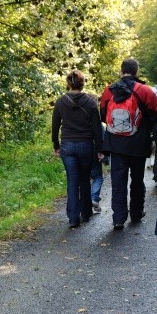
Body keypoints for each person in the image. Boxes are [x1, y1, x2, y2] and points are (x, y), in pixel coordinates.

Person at [99, 58, 157, 230]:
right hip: (138, 142)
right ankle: (136, 213)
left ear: (121, 71)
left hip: (115, 143)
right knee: (137, 179)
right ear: (136, 71)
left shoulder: (109, 91)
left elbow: (103, 115)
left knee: (118, 181)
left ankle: (118, 218)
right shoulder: (144, 90)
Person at [52, 70, 104, 228]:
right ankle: (86, 213)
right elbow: (96, 128)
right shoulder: (90, 102)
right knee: (85, 179)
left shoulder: (60, 102)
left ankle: (73, 218)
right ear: (83, 83)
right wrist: (100, 149)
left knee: (72, 181)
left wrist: (56, 145)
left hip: (67, 146)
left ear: (69, 83)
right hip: (86, 145)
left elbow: (55, 126)